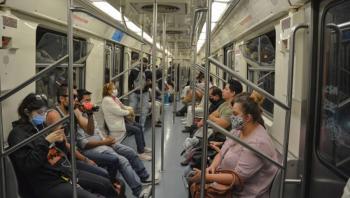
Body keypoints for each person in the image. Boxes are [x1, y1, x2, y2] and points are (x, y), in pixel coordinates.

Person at [8, 93, 118, 198]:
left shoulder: (40, 127)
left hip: (61, 171)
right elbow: (28, 164)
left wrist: (60, 142)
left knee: (106, 184)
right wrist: (46, 142)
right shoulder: (17, 135)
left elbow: (61, 154)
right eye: (39, 112)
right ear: (27, 112)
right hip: (47, 183)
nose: (42, 116)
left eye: (44, 112)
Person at [56, 86, 153, 197]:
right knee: (120, 160)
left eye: (76, 97)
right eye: (73, 97)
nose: (76, 100)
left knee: (129, 151)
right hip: (81, 153)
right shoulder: (56, 114)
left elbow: (91, 131)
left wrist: (90, 113)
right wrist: (87, 158)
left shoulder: (76, 112)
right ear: (62, 99)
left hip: (101, 142)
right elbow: (79, 143)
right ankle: (136, 191)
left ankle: (143, 178)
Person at [189, 93, 280, 198]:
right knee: (191, 178)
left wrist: (206, 177)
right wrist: (212, 167)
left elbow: (237, 179)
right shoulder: (239, 130)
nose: (232, 117)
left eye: (235, 114)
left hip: (243, 193)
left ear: (248, 118)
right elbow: (222, 152)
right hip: (225, 183)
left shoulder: (257, 143)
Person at [101, 83, 152, 161]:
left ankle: (143, 147)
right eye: (113, 89)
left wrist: (130, 108)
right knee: (137, 130)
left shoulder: (115, 98)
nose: (115, 90)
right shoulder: (107, 100)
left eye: (115, 88)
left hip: (122, 120)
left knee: (139, 126)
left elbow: (123, 107)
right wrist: (129, 112)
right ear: (107, 91)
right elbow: (119, 112)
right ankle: (141, 153)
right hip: (115, 124)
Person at [128, 57, 152, 130]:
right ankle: (131, 125)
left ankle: (141, 125)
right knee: (131, 109)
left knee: (144, 109)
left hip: (144, 92)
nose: (144, 65)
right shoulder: (134, 71)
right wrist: (131, 90)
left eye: (145, 64)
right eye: (142, 64)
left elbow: (151, 83)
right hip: (135, 92)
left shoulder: (149, 72)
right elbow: (130, 81)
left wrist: (149, 84)